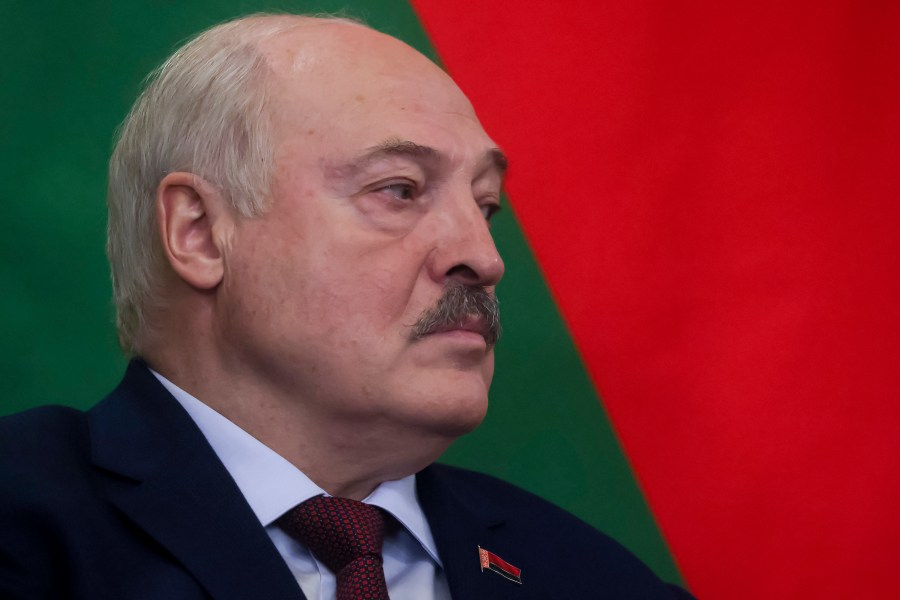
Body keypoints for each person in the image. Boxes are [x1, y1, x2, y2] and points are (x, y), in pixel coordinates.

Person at [0, 13, 694, 599]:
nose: (484, 257)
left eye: (486, 206)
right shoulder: (24, 524)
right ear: (201, 234)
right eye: (399, 189)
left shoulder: (592, 578)